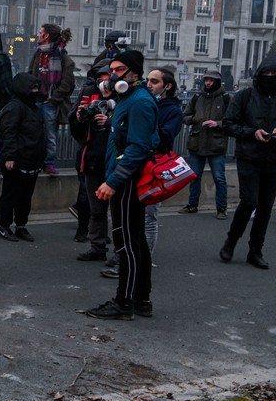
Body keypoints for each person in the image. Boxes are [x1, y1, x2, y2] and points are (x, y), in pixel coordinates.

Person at [85, 49, 158, 320]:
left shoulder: (138, 102)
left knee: (127, 243)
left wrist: (114, 181)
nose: (112, 75)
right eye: (111, 70)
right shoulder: (130, 99)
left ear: (133, 74)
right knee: (136, 240)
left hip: (128, 181)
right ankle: (140, 300)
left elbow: (138, 148)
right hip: (126, 178)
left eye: (118, 70)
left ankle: (124, 302)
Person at [219, 61, 276, 270]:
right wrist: (251, 133)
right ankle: (232, 240)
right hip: (249, 156)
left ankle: (255, 250)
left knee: (265, 207)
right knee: (249, 201)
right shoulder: (244, 96)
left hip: (274, 156)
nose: (271, 77)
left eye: (275, 73)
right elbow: (229, 123)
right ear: (259, 75)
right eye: (267, 73)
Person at [70, 61, 116, 263]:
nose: (104, 81)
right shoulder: (89, 93)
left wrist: (110, 121)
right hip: (92, 157)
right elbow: (76, 127)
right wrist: (80, 118)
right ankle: (97, 246)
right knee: (95, 208)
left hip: (115, 160)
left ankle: (122, 253)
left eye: (109, 76)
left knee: (119, 211)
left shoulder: (127, 97)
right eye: (102, 76)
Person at [0, 73, 46, 242]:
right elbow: (8, 132)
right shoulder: (15, 107)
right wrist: (9, 156)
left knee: (25, 196)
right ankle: (5, 226)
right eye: (33, 88)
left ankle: (21, 225)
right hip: (17, 160)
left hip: (32, 159)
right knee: (11, 194)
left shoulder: (33, 107)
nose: (36, 91)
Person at [179, 68, 230, 219]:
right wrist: (195, 119)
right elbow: (185, 116)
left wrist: (218, 123)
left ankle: (221, 208)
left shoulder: (226, 98)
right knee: (194, 176)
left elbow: (232, 120)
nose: (208, 83)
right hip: (197, 142)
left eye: (211, 80)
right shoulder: (197, 97)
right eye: (206, 80)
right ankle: (192, 205)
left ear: (217, 82)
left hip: (216, 144)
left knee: (219, 178)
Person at [27, 23, 76, 175]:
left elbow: (67, 83)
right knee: (35, 133)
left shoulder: (62, 56)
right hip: (36, 100)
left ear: (46, 35)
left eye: (40, 32)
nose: (38, 34)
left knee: (50, 135)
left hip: (50, 103)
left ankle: (49, 163)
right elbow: (30, 73)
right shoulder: (38, 53)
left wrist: (54, 99)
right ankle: (36, 160)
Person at [144, 67, 183, 255]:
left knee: (149, 216)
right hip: (139, 161)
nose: (148, 84)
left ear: (167, 86)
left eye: (154, 81)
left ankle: (144, 257)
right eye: (148, 80)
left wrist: (148, 122)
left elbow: (166, 137)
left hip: (154, 166)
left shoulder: (173, 111)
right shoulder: (145, 103)